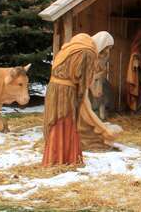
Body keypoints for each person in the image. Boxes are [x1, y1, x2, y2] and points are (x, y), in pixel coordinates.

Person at [42, 32, 100, 166]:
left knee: (55, 122)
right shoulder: (87, 52)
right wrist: (81, 96)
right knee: (66, 122)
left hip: (53, 89)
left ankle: (53, 158)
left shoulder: (67, 49)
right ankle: (65, 159)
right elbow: (84, 79)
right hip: (66, 92)